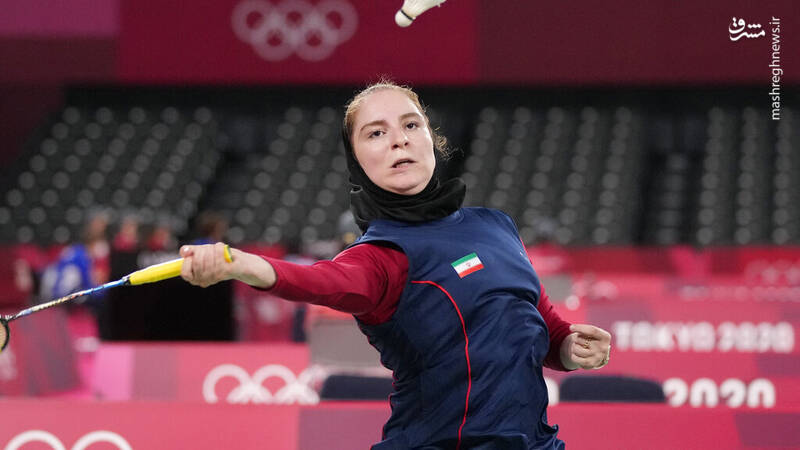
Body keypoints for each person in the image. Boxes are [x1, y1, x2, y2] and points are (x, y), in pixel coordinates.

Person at [180, 82, 611, 450]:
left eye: (410, 125)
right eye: (376, 133)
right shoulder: (380, 256)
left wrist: (569, 348)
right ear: (357, 160)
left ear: (431, 139)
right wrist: (241, 264)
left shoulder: (496, 225)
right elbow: (319, 281)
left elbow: (540, 324)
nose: (398, 140)